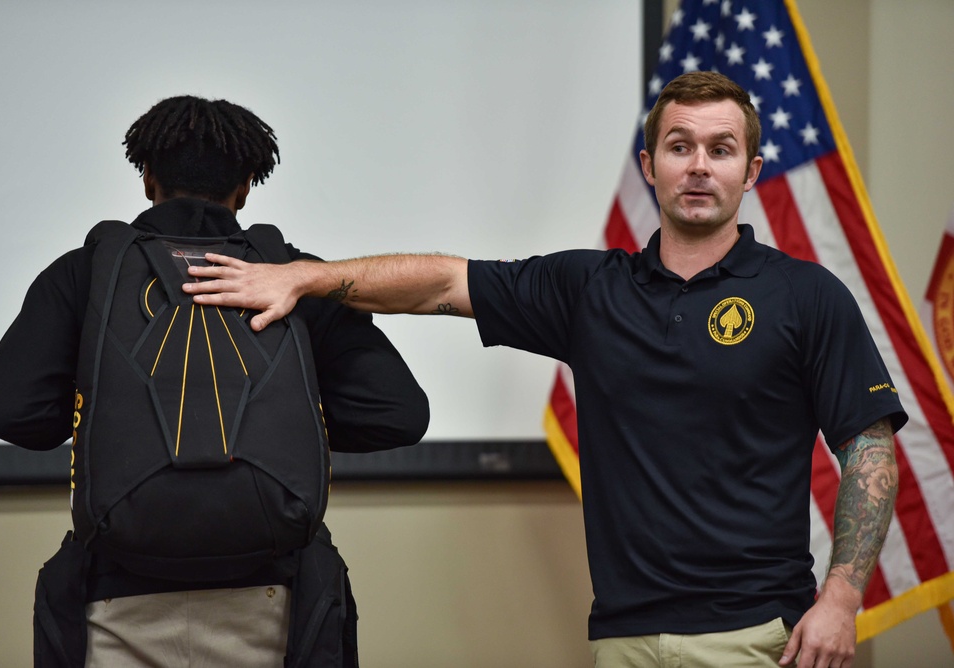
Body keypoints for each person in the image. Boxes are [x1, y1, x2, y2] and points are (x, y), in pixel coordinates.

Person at [183, 71, 906, 668]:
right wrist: (305, 279)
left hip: (760, 638)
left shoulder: (807, 296)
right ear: (650, 166)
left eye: (720, 149)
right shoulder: (591, 290)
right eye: (679, 146)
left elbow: (869, 446)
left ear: (749, 172)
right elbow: (439, 282)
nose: (698, 165)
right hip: (622, 638)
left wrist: (841, 598)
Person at [0, 95, 430, 666]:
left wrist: (109, 411)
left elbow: (9, 409)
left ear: (147, 180)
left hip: (116, 603)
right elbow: (399, 414)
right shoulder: (294, 277)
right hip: (274, 601)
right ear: (245, 189)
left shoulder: (85, 271)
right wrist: (282, 418)